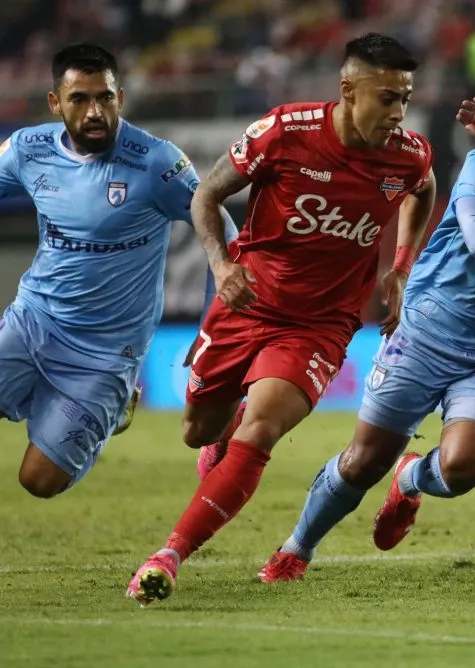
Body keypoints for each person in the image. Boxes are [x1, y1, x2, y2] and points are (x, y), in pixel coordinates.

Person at [256, 86, 475, 584]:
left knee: (464, 468)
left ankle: (410, 479)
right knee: (364, 462)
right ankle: (297, 547)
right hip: (428, 329)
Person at [126, 33, 437, 605]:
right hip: (245, 302)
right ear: (348, 90)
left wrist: (400, 268)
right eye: (387, 98)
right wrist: (221, 266)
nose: (398, 113)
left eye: (405, 99)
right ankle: (228, 423)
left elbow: (423, 189)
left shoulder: (408, 153)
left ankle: (167, 556)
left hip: (321, 324)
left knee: (261, 431)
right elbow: (207, 196)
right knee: (200, 429)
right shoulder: (285, 132)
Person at [0, 43, 231, 498]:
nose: (93, 111)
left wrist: (214, 325)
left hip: (104, 355)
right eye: (79, 99)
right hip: (33, 322)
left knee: (38, 482)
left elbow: (220, 224)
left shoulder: (156, 163)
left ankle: (115, 406)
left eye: (104, 98)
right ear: (55, 103)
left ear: (120, 98)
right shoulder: (29, 149)